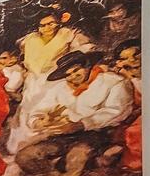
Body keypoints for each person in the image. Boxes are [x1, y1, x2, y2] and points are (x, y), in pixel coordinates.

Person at [14, 50, 136, 176]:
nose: (73, 76)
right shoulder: (59, 88)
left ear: (87, 66)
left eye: (76, 70)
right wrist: (39, 121)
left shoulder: (113, 82)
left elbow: (117, 111)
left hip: (100, 133)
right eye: (68, 74)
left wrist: (82, 124)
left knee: (76, 156)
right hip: (65, 134)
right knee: (25, 156)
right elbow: (38, 110)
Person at [11, 11, 94, 151]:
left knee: (49, 110)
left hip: (56, 80)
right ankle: (20, 146)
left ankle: (47, 144)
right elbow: (26, 59)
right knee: (27, 111)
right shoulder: (29, 39)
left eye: (51, 23)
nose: (47, 28)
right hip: (33, 81)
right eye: (42, 25)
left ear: (58, 22)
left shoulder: (68, 34)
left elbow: (85, 49)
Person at [113, 41, 143, 174]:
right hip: (136, 112)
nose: (133, 60)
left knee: (134, 131)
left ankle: (137, 164)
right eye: (126, 58)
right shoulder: (126, 79)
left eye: (136, 55)